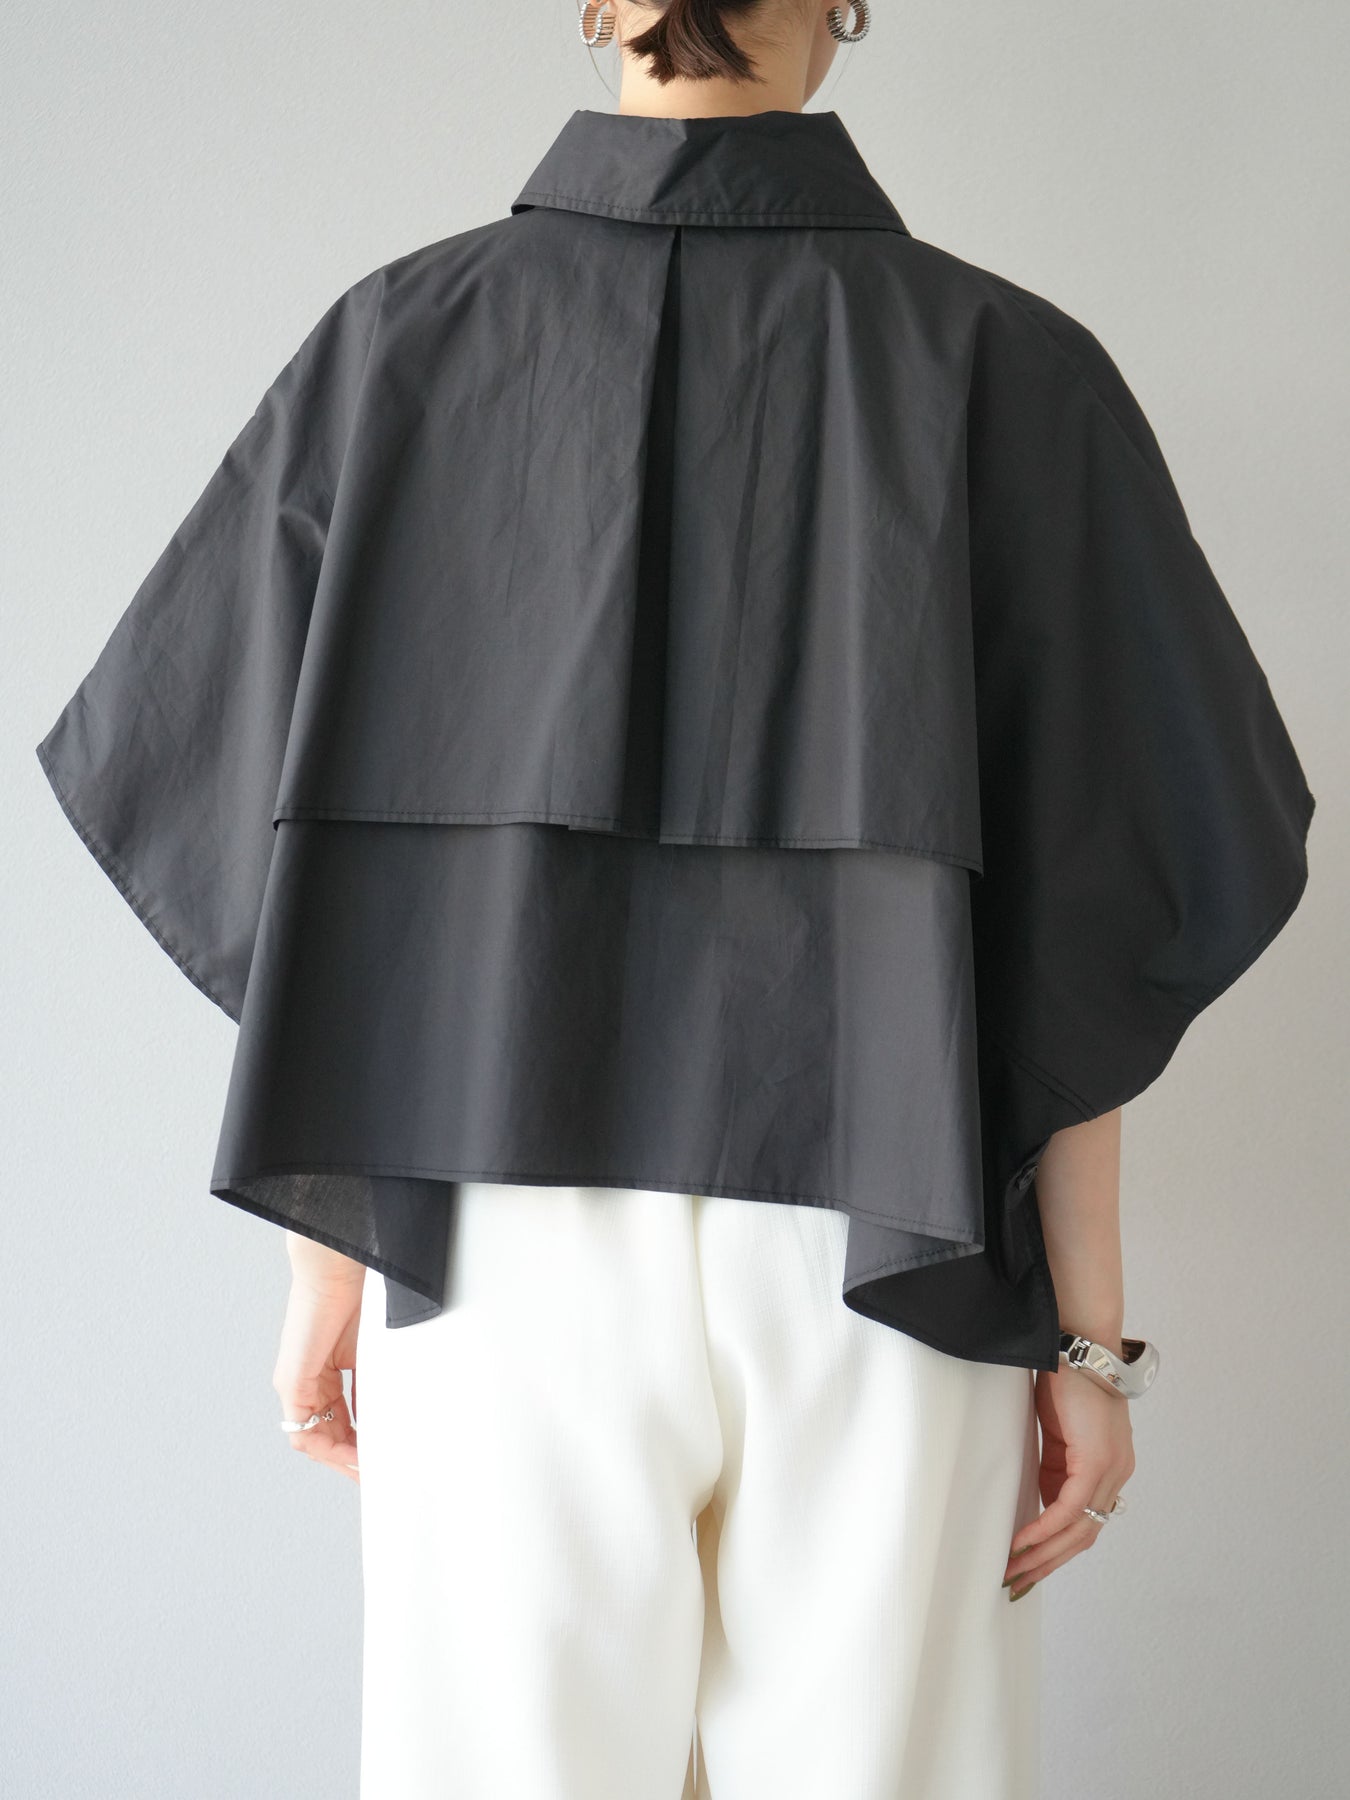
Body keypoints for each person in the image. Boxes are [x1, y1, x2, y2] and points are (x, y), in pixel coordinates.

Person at [35, 2, 1315, 1796]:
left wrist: (332, 1255)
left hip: (490, 1227)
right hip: (889, 1228)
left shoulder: (400, 339)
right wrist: (1086, 1335)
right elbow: (1102, 889)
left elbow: (278, 839)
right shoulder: (1005, 362)